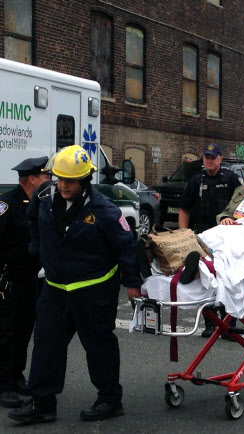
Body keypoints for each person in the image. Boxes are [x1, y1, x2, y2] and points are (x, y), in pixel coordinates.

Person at [8, 145, 142, 425]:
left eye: (69, 181)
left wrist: (132, 282)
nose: (63, 185)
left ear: (84, 181)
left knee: (99, 345)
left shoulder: (104, 210)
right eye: (59, 179)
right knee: (46, 344)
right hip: (56, 288)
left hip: (93, 290)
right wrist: (37, 249)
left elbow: (126, 245)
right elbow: (33, 221)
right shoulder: (44, 199)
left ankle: (109, 398)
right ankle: (43, 402)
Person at [0, 157, 50, 409]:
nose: (49, 181)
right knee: (6, 333)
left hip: (29, 279)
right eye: (45, 177)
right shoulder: (7, 203)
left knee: (23, 331)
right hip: (7, 281)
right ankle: (4, 386)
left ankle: (16, 376)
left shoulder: (39, 203)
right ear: (32, 179)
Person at [178, 143, 242, 337]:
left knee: (229, 279)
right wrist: (184, 236)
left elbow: (241, 207)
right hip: (202, 238)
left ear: (220, 159)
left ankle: (230, 323)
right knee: (206, 280)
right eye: (206, 157)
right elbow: (184, 209)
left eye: (213, 157)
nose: (209, 160)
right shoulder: (196, 180)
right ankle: (210, 323)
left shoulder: (231, 179)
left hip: (226, 238)